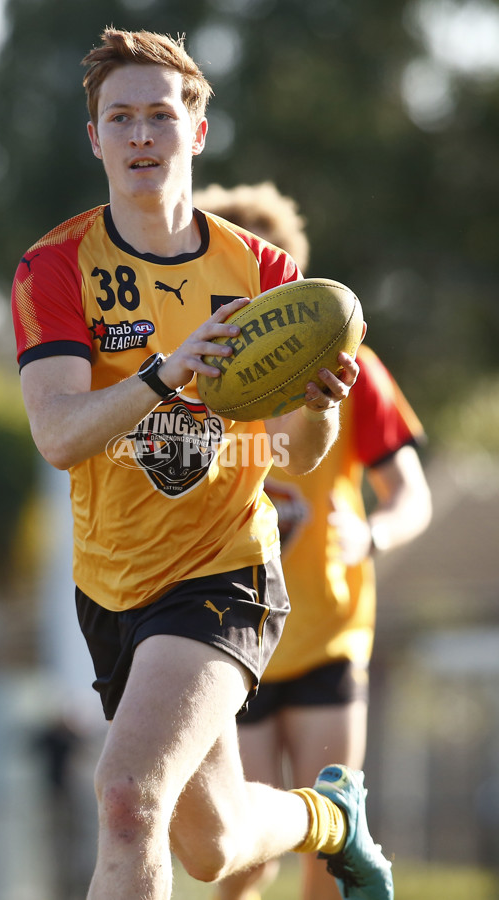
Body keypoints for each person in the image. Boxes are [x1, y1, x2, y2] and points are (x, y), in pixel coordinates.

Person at [11, 28, 393, 900]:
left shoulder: (262, 271)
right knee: (216, 844)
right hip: (112, 583)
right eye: (121, 118)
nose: (142, 135)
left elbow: (294, 452)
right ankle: (331, 818)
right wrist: (165, 370)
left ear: (197, 132)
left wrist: (320, 402)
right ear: (95, 138)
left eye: (160, 115)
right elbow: (61, 434)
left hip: (225, 569)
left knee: (125, 802)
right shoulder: (56, 266)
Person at [195, 182, 432, 900]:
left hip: (326, 636)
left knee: (327, 851)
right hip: (230, 635)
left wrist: (372, 533)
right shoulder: (193, 373)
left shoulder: (349, 370)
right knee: (240, 856)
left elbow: (409, 495)